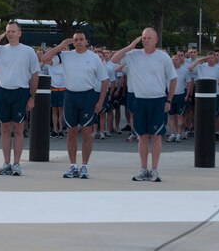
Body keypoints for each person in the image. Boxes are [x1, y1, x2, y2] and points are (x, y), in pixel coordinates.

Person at [0, 20, 40, 176]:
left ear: (19, 33)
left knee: (18, 129)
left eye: (13, 31)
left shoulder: (28, 51)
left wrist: (32, 96)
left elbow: (35, 74)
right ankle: (6, 163)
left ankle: (16, 164)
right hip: (3, 91)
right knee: (4, 128)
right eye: (8, 31)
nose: (10, 34)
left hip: (21, 91)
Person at [111, 28, 177, 182]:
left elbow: (173, 79)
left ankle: (154, 170)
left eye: (149, 38)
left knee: (156, 136)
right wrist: (131, 46)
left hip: (158, 100)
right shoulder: (133, 55)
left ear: (156, 40)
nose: (145, 40)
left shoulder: (163, 57)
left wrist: (169, 100)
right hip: (139, 100)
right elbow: (114, 60)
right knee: (141, 136)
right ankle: (142, 169)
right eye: (143, 38)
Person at [41, 32, 108, 179]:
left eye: (81, 39)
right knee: (71, 132)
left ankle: (84, 166)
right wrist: (61, 46)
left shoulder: (94, 58)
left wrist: (100, 102)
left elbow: (105, 80)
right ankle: (72, 166)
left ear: (86, 41)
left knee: (86, 132)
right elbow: (44, 59)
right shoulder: (65, 56)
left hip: (88, 96)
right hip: (70, 95)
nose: (78, 42)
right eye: (76, 40)